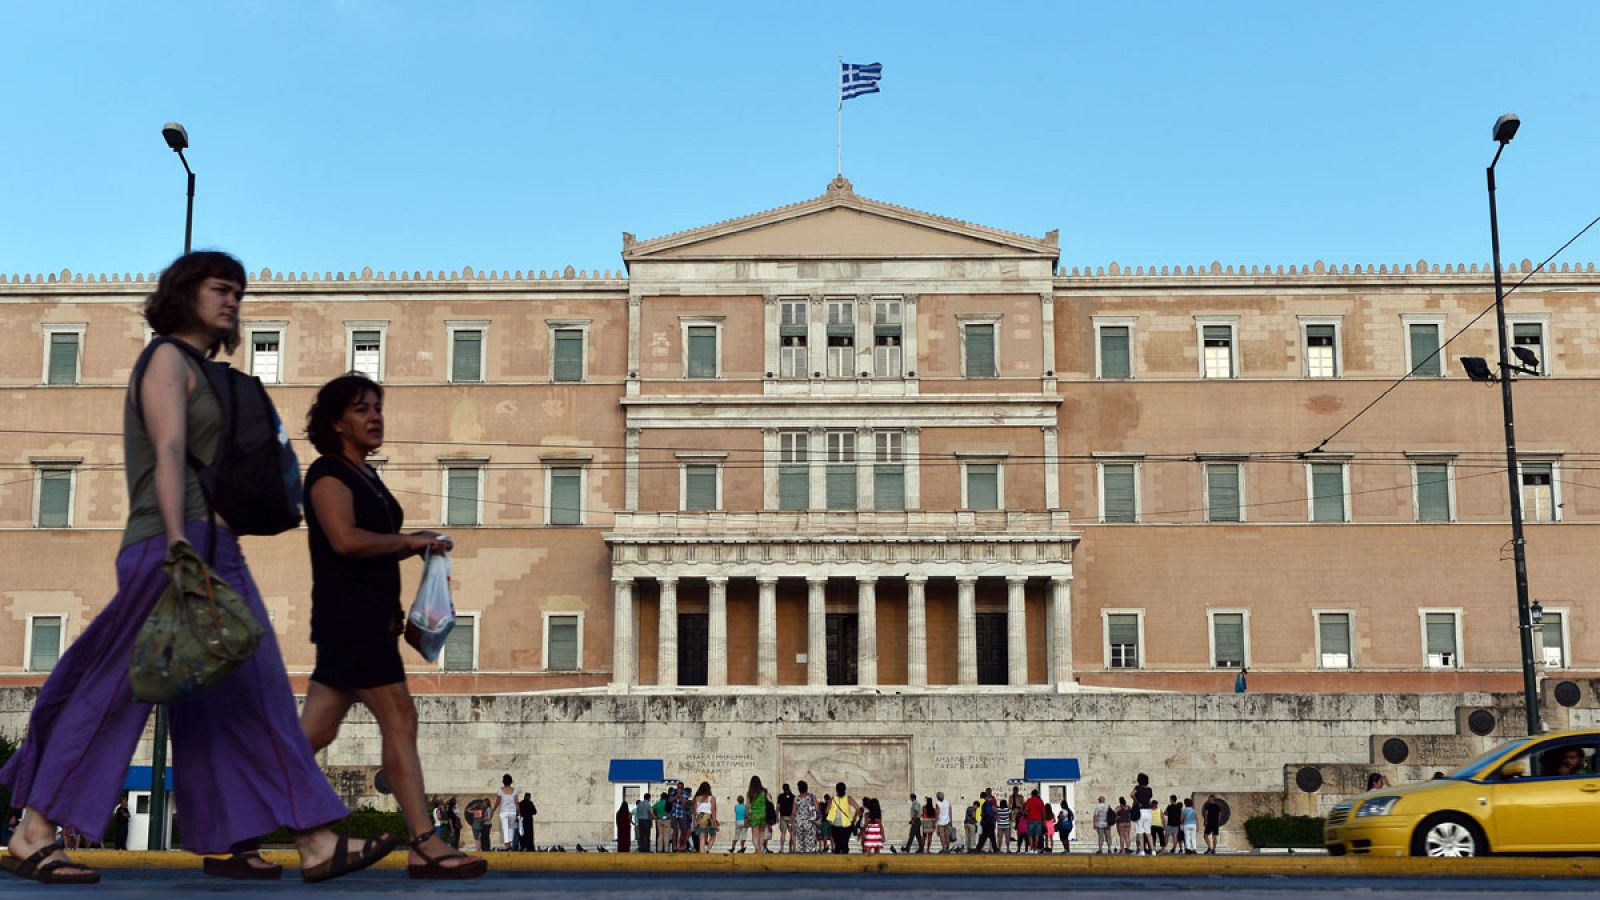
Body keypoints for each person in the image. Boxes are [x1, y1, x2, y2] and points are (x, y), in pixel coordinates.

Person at [0, 252, 391, 886]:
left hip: (206, 543)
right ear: (185, 293)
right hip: (175, 546)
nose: (232, 301)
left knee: (231, 699)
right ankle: (35, 831)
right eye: (219, 289)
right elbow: (169, 450)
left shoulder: (205, 372)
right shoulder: (165, 360)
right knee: (121, 691)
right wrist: (183, 547)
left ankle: (230, 837)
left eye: (238, 291)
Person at [295, 372, 485, 879]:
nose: (375, 416)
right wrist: (409, 542)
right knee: (399, 716)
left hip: (368, 620)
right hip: (349, 619)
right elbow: (344, 540)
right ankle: (424, 841)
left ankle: (236, 822)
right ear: (336, 422)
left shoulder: (366, 476)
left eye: (377, 407)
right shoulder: (328, 475)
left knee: (311, 735)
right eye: (361, 409)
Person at [826, 784, 858, 854]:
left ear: (836, 790)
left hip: (835, 825)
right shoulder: (848, 798)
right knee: (845, 844)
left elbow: (827, 811)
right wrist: (854, 817)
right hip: (847, 824)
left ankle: (837, 861)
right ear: (845, 789)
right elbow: (858, 808)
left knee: (837, 844)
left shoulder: (833, 799)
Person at [747, 776, 772, 854]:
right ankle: (760, 848)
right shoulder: (764, 791)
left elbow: (747, 806)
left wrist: (747, 816)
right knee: (761, 833)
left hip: (754, 815)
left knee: (755, 834)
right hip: (763, 814)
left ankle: (757, 848)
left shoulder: (750, 793)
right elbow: (770, 802)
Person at [793, 780, 818, 854]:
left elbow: (793, 811)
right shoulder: (812, 796)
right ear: (806, 788)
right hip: (810, 821)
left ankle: (801, 858)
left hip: (799, 822)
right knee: (810, 840)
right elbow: (817, 808)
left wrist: (792, 822)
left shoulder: (796, 798)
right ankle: (809, 856)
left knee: (800, 840)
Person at [494, 775, 518, 850]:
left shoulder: (500, 791)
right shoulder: (514, 791)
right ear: (511, 781)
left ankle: (507, 844)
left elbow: (497, 802)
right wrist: (518, 813)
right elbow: (517, 803)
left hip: (503, 812)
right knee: (511, 827)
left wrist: (493, 810)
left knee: (505, 827)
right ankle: (510, 842)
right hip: (513, 812)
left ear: (503, 781)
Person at [777, 783, 795, 853]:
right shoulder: (793, 796)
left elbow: (778, 807)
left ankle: (782, 849)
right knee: (792, 834)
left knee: (783, 833)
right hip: (791, 817)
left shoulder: (780, 796)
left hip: (783, 816)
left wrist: (776, 816)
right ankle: (792, 849)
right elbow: (794, 807)